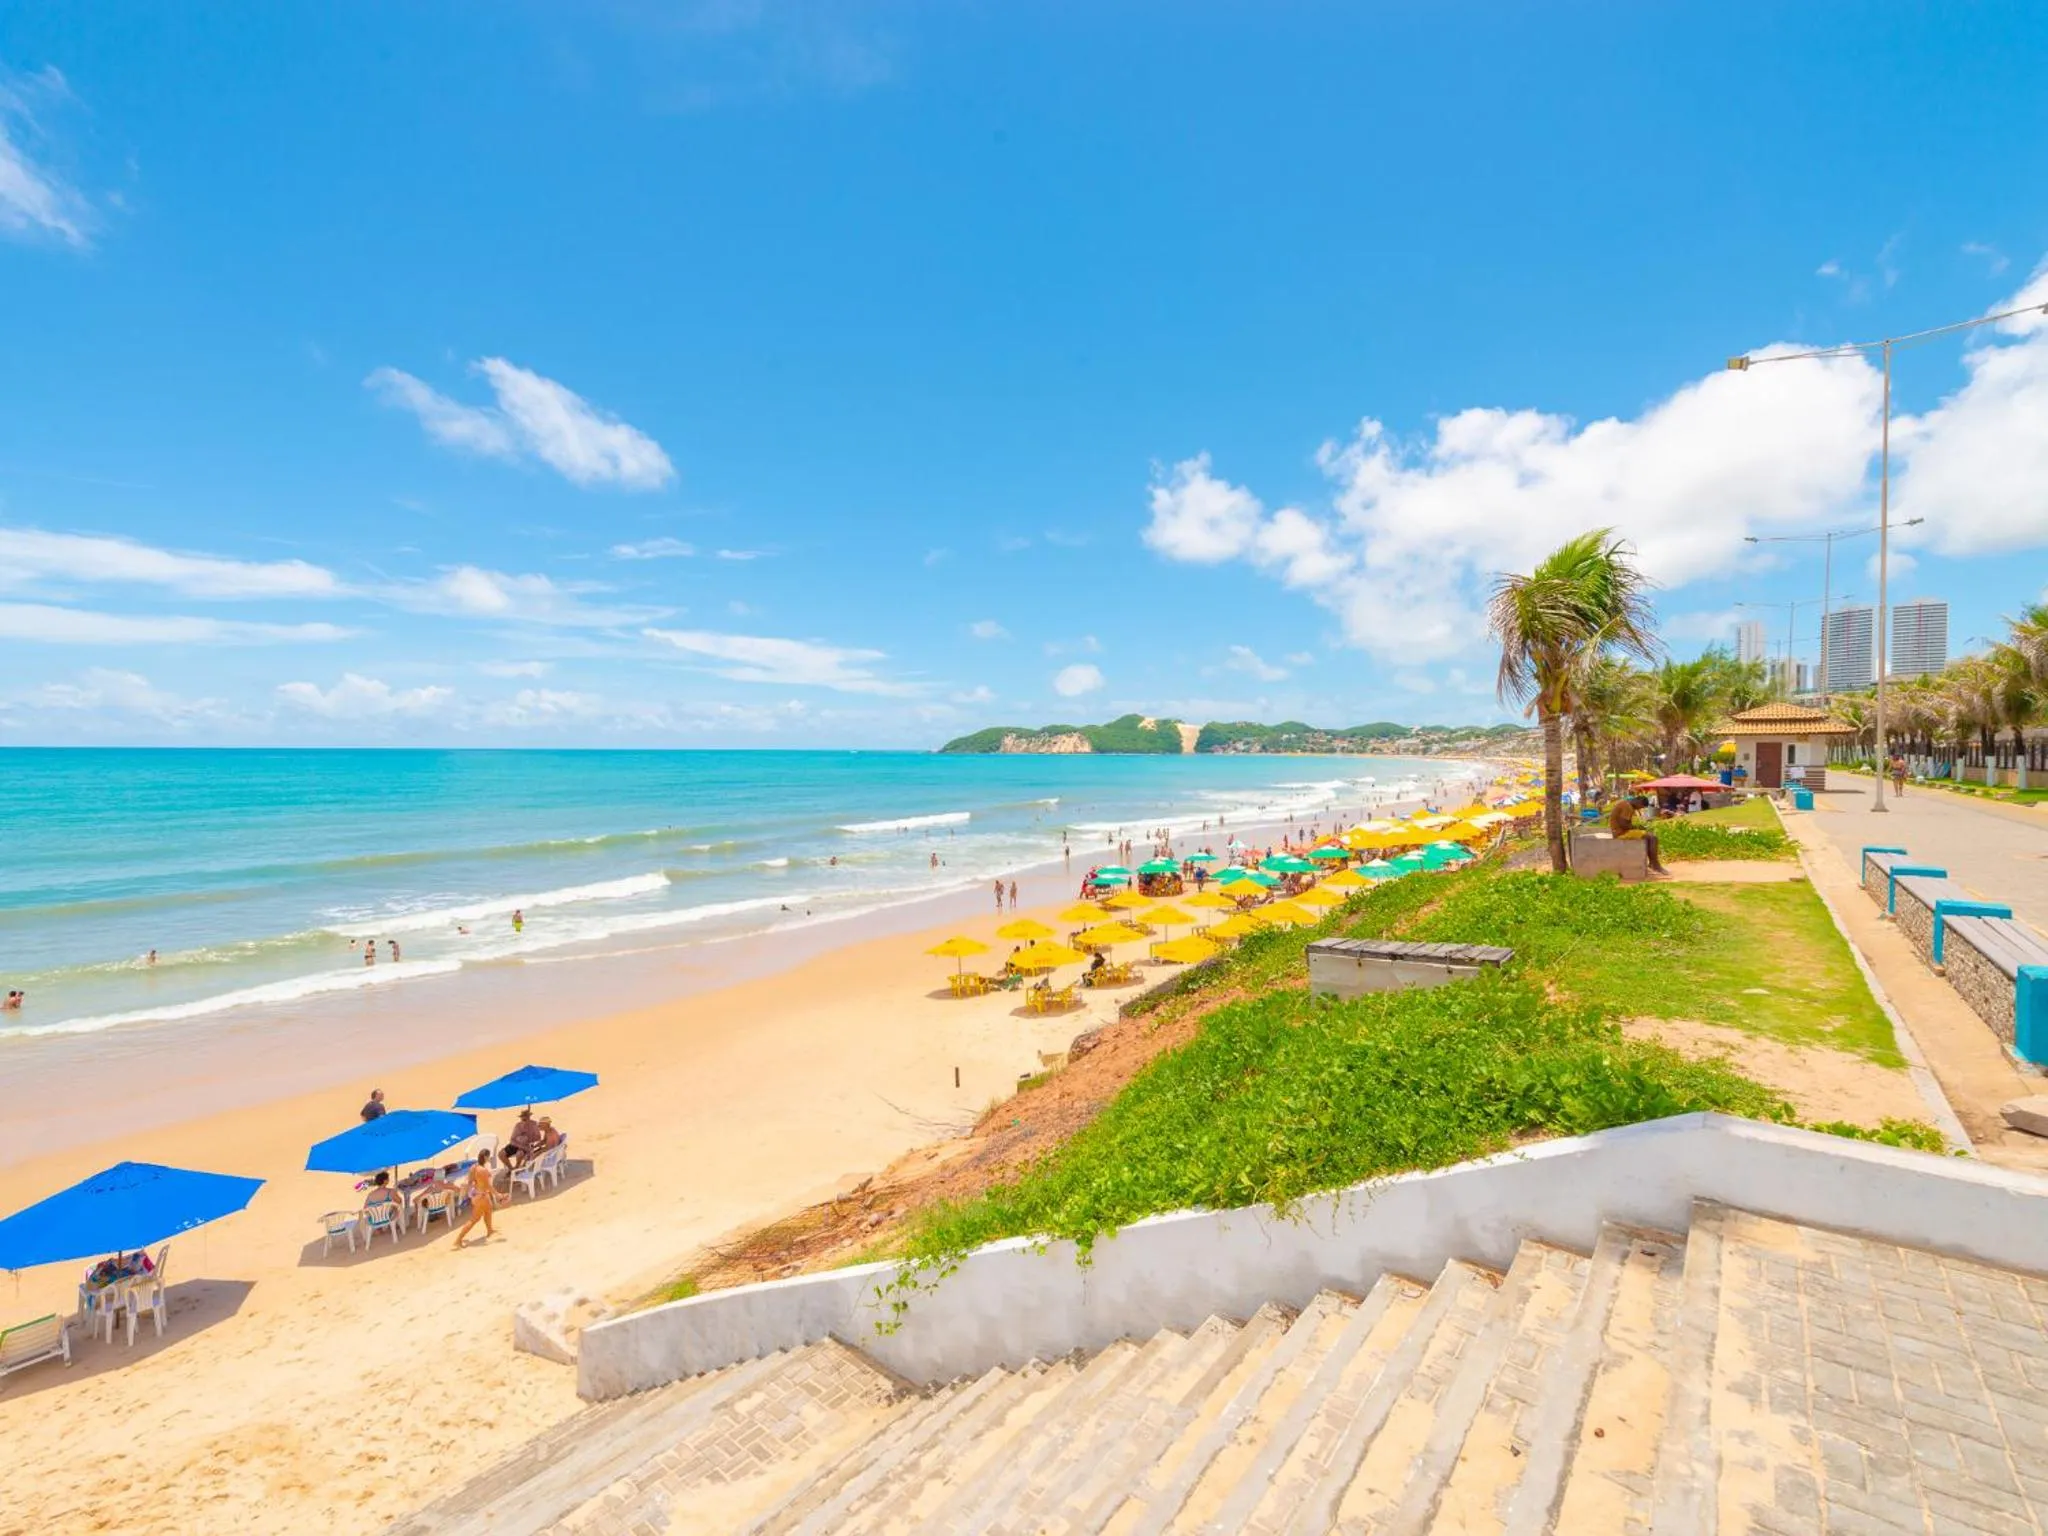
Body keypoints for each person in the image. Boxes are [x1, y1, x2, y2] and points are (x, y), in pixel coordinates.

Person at [454, 1149, 498, 1248]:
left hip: (477, 1195)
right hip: (481, 1196)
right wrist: (498, 1195)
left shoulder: (474, 1167)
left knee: (488, 1211)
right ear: (486, 1157)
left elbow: (470, 1182)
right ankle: (458, 1240)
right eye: (488, 1157)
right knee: (474, 1219)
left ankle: (490, 1230)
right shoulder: (482, 1170)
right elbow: (488, 1186)